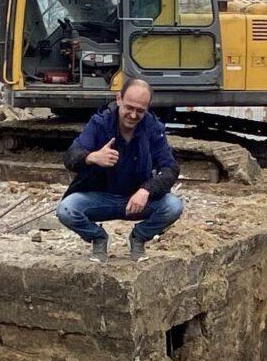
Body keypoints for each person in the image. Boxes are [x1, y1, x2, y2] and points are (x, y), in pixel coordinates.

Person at [57, 76, 183, 258]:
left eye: (140, 111)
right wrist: (92, 157)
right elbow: (70, 157)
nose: (133, 115)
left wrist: (146, 190)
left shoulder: (153, 128)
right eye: (129, 108)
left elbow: (170, 168)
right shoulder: (100, 123)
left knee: (173, 205)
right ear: (119, 99)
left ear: (147, 108)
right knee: (66, 210)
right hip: (100, 198)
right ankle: (98, 237)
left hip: (138, 201)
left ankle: (139, 237)